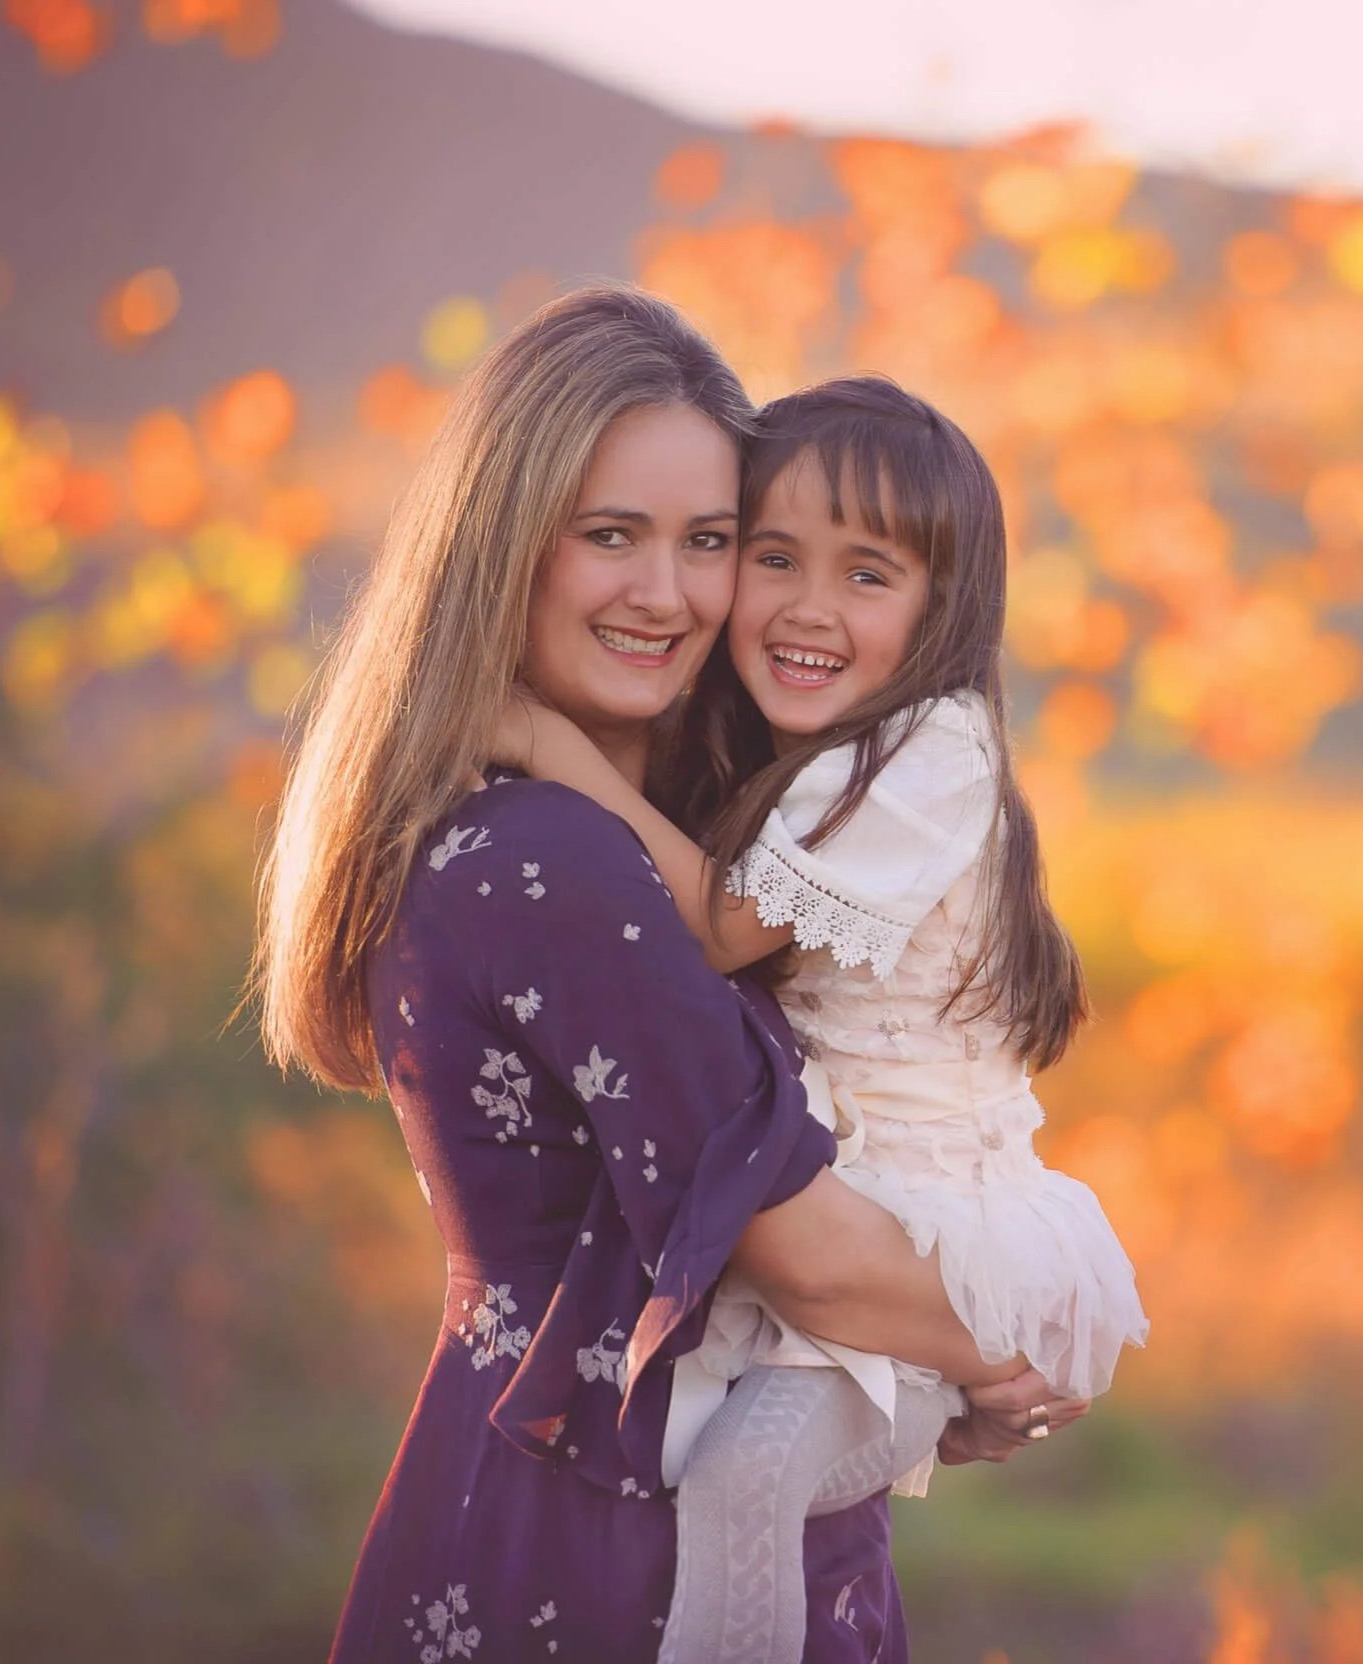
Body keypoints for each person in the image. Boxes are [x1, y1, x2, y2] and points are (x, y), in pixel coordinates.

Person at [255, 290, 1086, 1664]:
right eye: (611, 536)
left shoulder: (671, 834)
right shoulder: (557, 862)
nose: (669, 593)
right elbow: (804, 1252)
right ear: (505, 545)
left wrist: (928, 1373)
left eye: (710, 542)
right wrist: (1017, 1337)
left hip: (679, 1510)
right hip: (606, 1560)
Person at [497, 374, 1147, 1663]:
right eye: (774, 556)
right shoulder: (804, 759)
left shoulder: (932, 753)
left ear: (946, 605)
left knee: (748, 1474)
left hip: (927, 1231)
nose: (804, 608)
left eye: (867, 574)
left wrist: (537, 738)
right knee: (700, 1476)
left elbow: (721, 928)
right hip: (829, 1224)